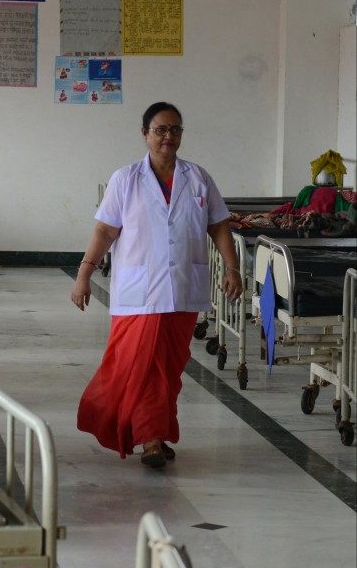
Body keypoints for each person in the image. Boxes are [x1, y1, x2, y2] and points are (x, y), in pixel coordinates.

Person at [70, 102, 242, 468]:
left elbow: (219, 226)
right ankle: (151, 439)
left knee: (167, 368)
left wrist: (232, 267)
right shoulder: (126, 178)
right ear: (145, 133)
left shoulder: (198, 178)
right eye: (161, 129)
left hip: (181, 290)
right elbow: (105, 229)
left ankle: (154, 435)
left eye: (175, 129)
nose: (168, 136)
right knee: (138, 365)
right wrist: (85, 272)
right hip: (138, 293)